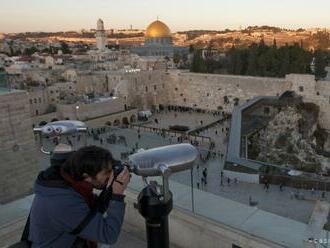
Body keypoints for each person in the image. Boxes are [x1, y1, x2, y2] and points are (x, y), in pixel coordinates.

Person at [28, 145, 130, 247]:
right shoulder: (64, 203)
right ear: (87, 177)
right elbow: (108, 235)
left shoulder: (66, 182)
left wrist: (110, 187)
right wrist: (117, 196)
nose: (110, 175)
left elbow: (94, 210)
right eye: (106, 172)